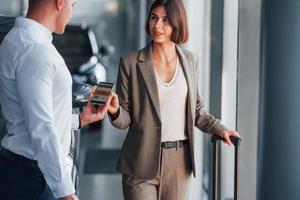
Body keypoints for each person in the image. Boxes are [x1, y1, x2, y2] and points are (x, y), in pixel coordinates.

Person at [107, 0, 240, 199]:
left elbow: (196, 109)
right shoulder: (131, 63)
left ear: (177, 23)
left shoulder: (191, 61)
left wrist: (220, 128)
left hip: (179, 162)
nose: (157, 25)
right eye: (154, 18)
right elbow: (126, 118)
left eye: (165, 20)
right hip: (141, 160)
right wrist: (116, 111)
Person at [0, 0, 112, 200]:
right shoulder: (35, 50)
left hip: (24, 172)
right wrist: (66, 192)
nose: (71, 12)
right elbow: (41, 128)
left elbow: (29, 118)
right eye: (72, 4)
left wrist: (80, 120)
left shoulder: (17, 39)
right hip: (35, 178)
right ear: (60, 2)